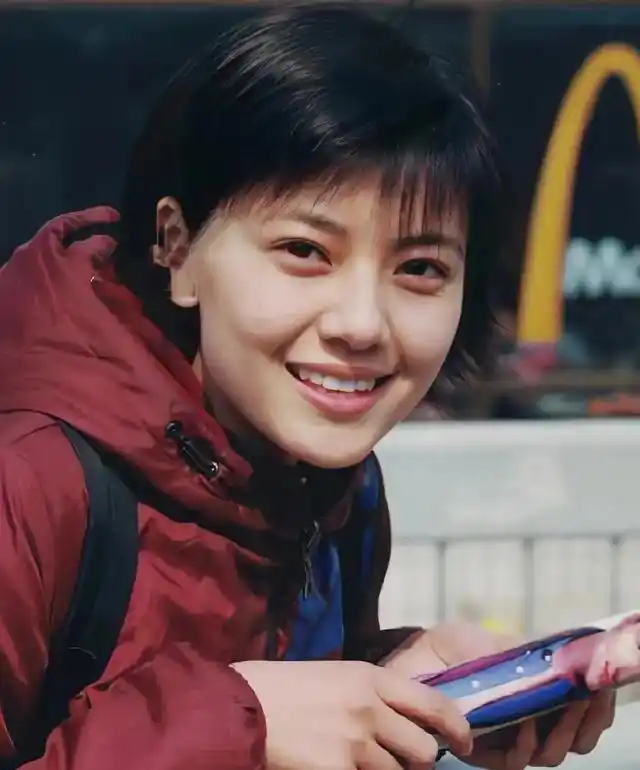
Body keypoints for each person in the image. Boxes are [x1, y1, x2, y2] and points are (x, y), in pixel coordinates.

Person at [0, 4, 614, 770]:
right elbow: (247, 719)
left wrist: (396, 683)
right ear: (178, 248)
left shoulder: (334, 486)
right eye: (304, 251)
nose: (362, 324)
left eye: (420, 268)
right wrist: (237, 728)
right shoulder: (30, 482)